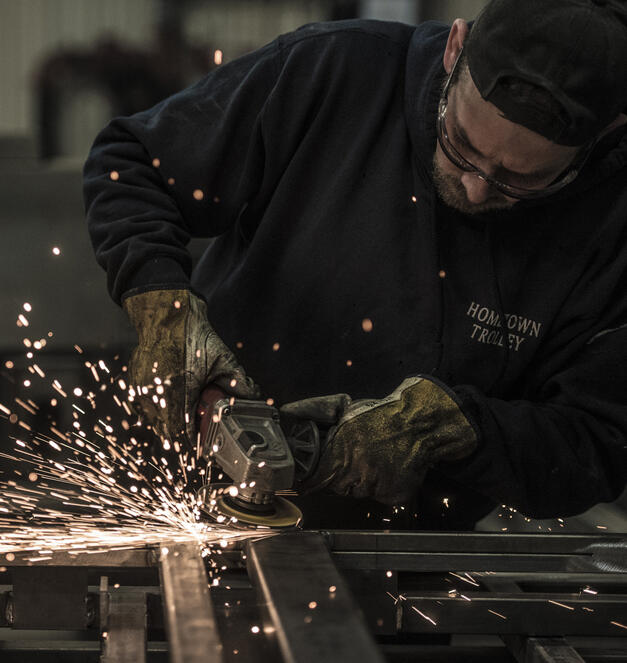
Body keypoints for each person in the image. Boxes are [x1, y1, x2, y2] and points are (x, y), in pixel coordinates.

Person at [83, 0, 627, 530]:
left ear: (603, 135)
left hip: (410, 559)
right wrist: (160, 301)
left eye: (521, 180)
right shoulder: (337, 71)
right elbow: (131, 164)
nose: (476, 186)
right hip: (179, 492)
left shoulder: (612, 221)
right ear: (455, 49)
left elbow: (600, 443)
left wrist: (463, 432)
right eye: (460, 144)